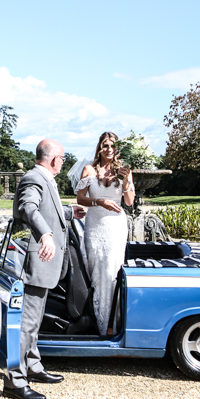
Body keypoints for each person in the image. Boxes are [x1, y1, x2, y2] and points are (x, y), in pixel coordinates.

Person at [4, 138, 86, 399]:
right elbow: (29, 208)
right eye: (62, 158)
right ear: (53, 159)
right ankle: (14, 382)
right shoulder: (33, 178)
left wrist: (69, 212)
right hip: (35, 261)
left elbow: (47, 208)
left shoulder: (43, 178)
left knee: (35, 321)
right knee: (26, 323)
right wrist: (47, 235)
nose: (63, 162)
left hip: (44, 264)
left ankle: (33, 366)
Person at [74, 132, 135, 336]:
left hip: (116, 226)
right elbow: (81, 199)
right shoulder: (89, 170)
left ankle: (114, 324)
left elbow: (129, 202)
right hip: (95, 224)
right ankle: (95, 321)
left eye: (112, 146)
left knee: (113, 270)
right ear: (99, 147)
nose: (109, 149)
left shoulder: (123, 170)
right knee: (96, 270)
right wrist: (98, 202)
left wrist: (126, 180)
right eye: (105, 145)